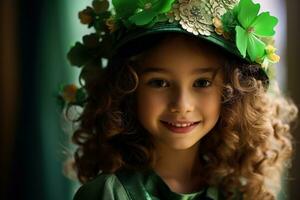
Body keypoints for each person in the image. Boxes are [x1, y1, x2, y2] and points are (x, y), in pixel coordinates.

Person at [60, 0, 298, 199]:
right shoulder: (109, 194)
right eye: (159, 82)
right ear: (127, 88)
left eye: (202, 83)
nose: (182, 105)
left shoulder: (241, 192)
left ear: (232, 93)